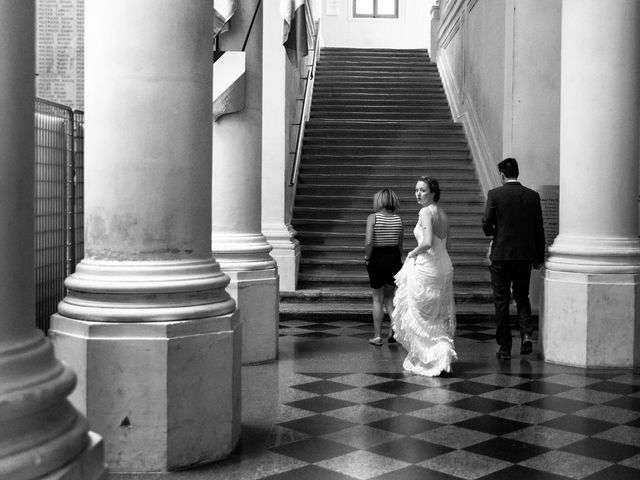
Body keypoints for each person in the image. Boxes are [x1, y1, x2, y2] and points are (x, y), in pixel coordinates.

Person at [482, 158, 545, 360]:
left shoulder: (495, 194)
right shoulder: (532, 196)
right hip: (525, 255)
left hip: (501, 255)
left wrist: (494, 232)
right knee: (522, 296)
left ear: (501, 175)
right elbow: (538, 229)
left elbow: (486, 225)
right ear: (517, 172)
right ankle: (526, 335)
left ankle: (505, 348)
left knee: (501, 300)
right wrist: (539, 257)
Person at [392, 177, 457, 376]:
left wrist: (412, 253)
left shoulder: (425, 212)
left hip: (428, 268)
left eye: (422, 190)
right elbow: (448, 245)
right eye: (416, 190)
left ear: (433, 192)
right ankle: (441, 352)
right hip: (444, 265)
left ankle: (431, 358)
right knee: (436, 315)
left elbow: (428, 242)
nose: (418, 194)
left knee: (421, 315)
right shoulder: (443, 213)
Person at [364, 189, 403, 346]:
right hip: (394, 258)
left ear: (378, 201)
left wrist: (367, 257)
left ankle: (378, 336)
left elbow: (368, 242)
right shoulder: (398, 219)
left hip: (377, 258)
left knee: (377, 299)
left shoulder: (373, 218)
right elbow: (400, 245)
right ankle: (394, 326)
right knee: (389, 298)